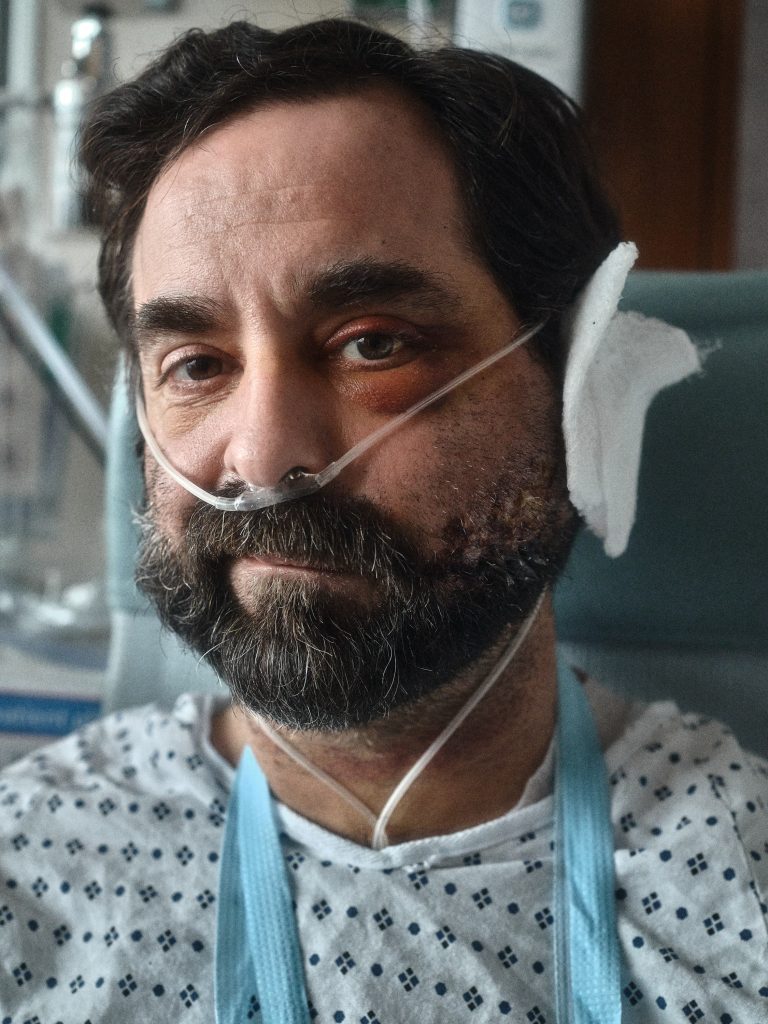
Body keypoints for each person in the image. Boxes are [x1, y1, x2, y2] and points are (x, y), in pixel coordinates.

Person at [1, 18, 766, 1023]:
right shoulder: (32, 878)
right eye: (196, 365)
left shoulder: (734, 876)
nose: (263, 456)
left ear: (586, 387)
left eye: (374, 345)